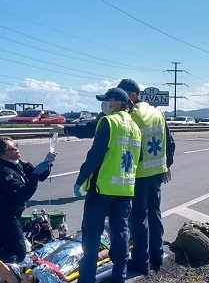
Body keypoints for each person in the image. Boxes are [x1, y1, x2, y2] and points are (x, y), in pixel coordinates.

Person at [73, 88, 142, 283]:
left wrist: (80, 180)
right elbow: (140, 157)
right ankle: (119, 277)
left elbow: (95, 155)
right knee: (120, 234)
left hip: (101, 190)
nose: (105, 104)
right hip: (126, 190)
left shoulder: (108, 122)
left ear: (119, 102)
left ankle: (87, 280)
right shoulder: (135, 128)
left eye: (108, 100)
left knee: (91, 238)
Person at [115, 79, 175, 274]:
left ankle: (141, 261)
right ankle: (157, 255)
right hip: (157, 172)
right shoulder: (157, 112)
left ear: (133, 95)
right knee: (155, 213)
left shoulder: (131, 115)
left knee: (138, 218)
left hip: (139, 174)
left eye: (123, 96)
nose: (120, 101)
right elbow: (170, 142)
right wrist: (167, 165)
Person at [0, 137, 56, 263]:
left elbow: (41, 176)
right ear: (2, 155)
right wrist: (34, 176)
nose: (16, 149)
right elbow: (23, 194)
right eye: (11, 148)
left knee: (14, 247)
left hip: (12, 214)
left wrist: (48, 162)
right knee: (19, 255)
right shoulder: (5, 172)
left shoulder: (19, 164)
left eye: (16, 145)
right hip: (3, 216)